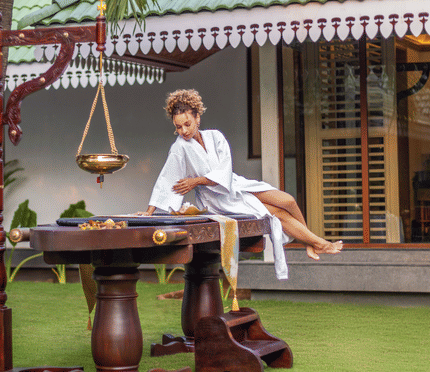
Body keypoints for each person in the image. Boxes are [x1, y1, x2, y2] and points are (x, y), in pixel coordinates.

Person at [142, 89, 342, 270]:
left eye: (187, 124)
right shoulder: (179, 147)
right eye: (178, 127)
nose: (183, 131)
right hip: (218, 199)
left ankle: (310, 242)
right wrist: (150, 211)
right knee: (277, 214)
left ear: (198, 117)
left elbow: (224, 172)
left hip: (234, 184)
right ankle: (321, 244)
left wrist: (196, 181)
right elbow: (167, 178)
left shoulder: (215, 137)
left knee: (288, 200)